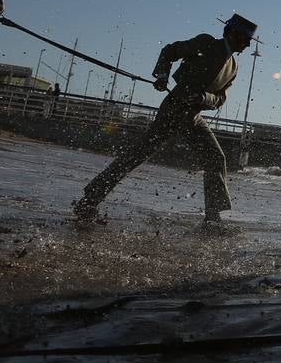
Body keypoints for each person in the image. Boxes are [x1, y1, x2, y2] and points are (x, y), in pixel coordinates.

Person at [73, 14, 256, 225]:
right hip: (174, 109)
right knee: (137, 155)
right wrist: (162, 76)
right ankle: (89, 202)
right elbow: (169, 52)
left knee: (216, 158)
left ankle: (213, 219)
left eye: (249, 40)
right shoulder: (205, 43)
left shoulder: (233, 67)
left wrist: (203, 97)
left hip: (193, 116)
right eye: (244, 38)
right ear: (231, 33)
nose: (248, 44)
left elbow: (220, 98)